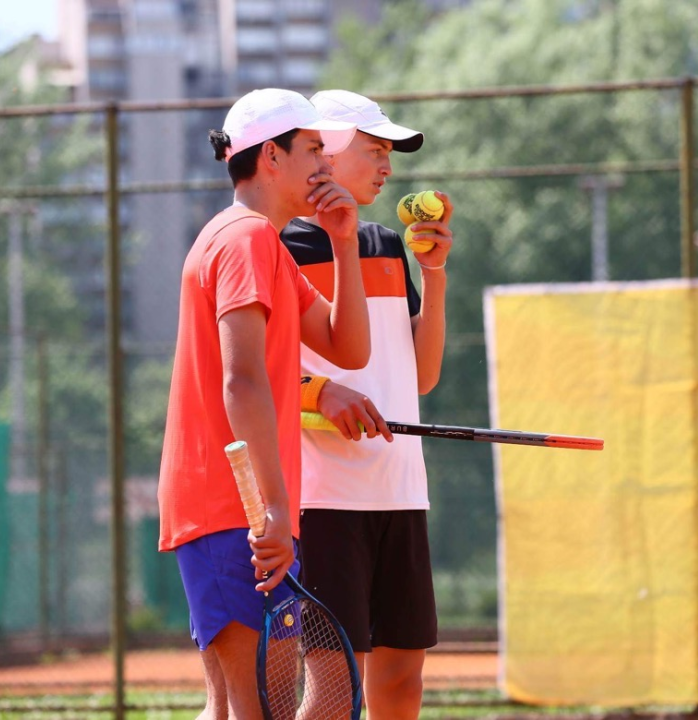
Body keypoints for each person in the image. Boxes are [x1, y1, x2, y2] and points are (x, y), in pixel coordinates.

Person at [157, 87, 372, 719]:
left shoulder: (262, 242)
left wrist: (343, 241)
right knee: (258, 708)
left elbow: (346, 346)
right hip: (236, 508)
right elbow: (241, 381)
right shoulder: (245, 238)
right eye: (311, 150)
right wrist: (272, 510)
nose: (326, 165)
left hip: (234, 507)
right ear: (269, 157)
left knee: (232, 708)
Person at [281, 89, 454, 719]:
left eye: (390, 153)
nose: (387, 166)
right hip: (324, 498)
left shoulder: (384, 243)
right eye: (375, 149)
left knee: (402, 680)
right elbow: (261, 372)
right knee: (335, 690)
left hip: (401, 490)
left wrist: (432, 274)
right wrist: (323, 394)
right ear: (323, 149)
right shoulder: (280, 245)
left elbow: (424, 373)